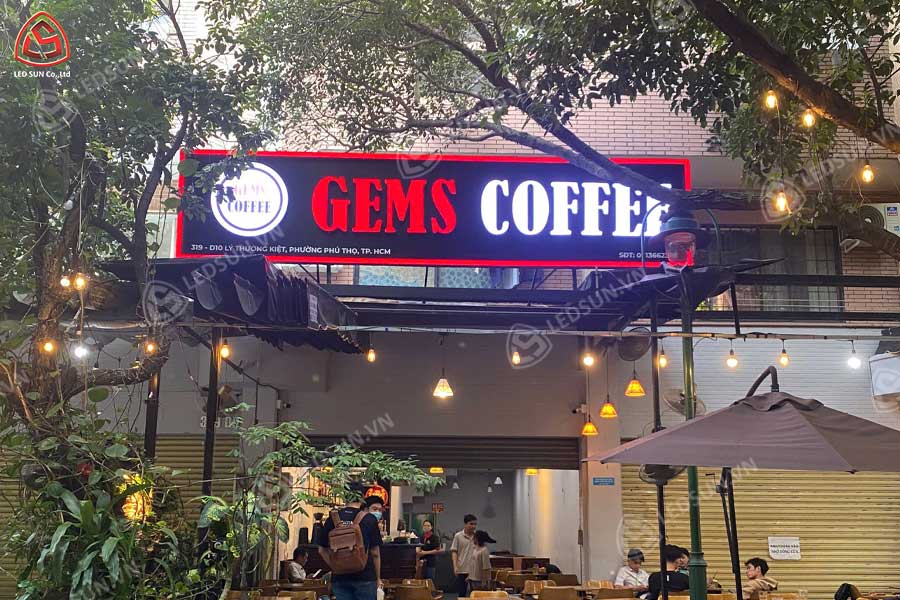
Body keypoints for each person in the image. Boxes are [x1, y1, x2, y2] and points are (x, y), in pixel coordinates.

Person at [318, 485, 384, 600]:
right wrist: (378, 578)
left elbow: (321, 550)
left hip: (340, 579)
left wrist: (336, 567)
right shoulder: (369, 519)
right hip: (365, 577)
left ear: (345, 497)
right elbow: (375, 553)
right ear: (362, 498)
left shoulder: (333, 518)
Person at [451, 514, 478, 597]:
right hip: (462, 569)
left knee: (476, 594)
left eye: (475, 524)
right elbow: (454, 552)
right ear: (465, 524)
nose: (473, 526)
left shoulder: (478, 536)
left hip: (475, 570)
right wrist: (455, 566)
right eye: (471, 524)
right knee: (462, 593)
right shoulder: (458, 536)